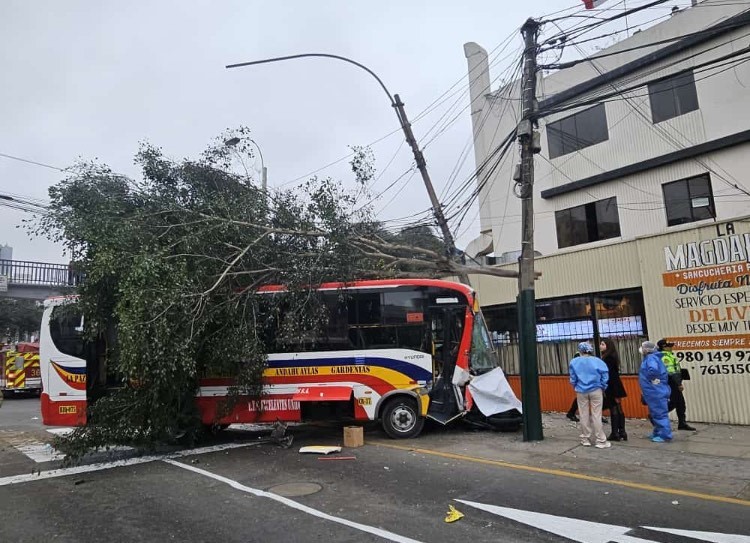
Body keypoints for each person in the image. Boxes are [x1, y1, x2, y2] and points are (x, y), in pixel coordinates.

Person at [569, 341, 611, 449]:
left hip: (581, 390)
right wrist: (603, 386)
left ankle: (585, 438)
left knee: (583, 414)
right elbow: (605, 375)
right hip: (596, 389)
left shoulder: (574, 362)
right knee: (597, 415)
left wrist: (575, 386)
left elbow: (573, 378)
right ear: (590, 350)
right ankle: (601, 440)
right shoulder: (598, 361)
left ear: (580, 350)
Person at [657, 338, 696, 431]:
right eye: (669, 346)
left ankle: (682, 423)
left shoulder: (670, 356)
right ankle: (657, 415)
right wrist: (678, 384)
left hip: (674, 381)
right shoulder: (665, 357)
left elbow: (676, 370)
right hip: (671, 382)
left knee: (680, 404)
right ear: (664, 347)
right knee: (673, 403)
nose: (671, 348)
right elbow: (671, 372)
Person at [638, 340, 673, 443]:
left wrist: (650, 379)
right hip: (655, 390)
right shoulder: (652, 358)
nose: (641, 349)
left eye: (643, 347)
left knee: (659, 414)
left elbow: (653, 370)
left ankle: (665, 435)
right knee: (656, 413)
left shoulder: (651, 358)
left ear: (647, 349)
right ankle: (658, 432)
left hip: (655, 390)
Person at [600, 338, 627, 441]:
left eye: (602, 344)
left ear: (608, 346)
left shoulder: (607, 359)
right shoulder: (613, 357)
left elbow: (609, 375)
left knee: (614, 409)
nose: (600, 346)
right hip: (616, 385)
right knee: (619, 408)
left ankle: (615, 433)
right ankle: (622, 431)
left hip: (611, 386)